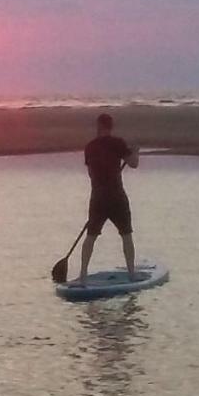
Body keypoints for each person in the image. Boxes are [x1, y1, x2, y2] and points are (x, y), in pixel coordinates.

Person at [79, 113, 139, 285]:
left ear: (99, 126)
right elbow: (133, 163)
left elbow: (91, 173)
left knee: (90, 236)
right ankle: (132, 274)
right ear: (111, 127)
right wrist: (135, 152)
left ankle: (83, 275)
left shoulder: (89, 147)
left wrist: (101, 184)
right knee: (126, 234)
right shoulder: (118, 143)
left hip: (98, 197)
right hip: (117, 196)